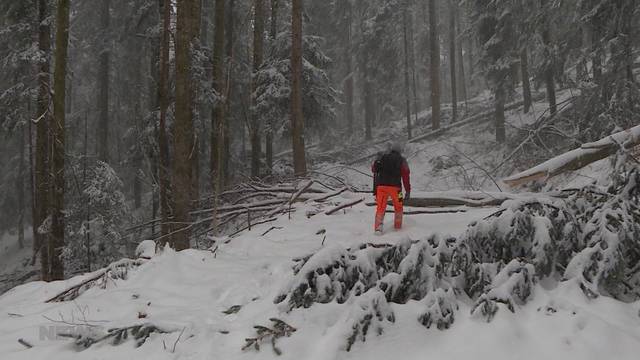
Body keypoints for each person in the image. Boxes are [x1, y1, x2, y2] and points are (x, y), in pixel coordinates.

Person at [372, 143, 411, 234]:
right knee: (399, 206)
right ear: (400, 151)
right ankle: (398, 226)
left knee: (380, 207)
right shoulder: (402, 160)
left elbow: (374, 169)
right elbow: (406, 176)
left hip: (381, 187)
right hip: (397, 188)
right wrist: (408, 190)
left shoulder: (383, 157)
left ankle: (378, 228)